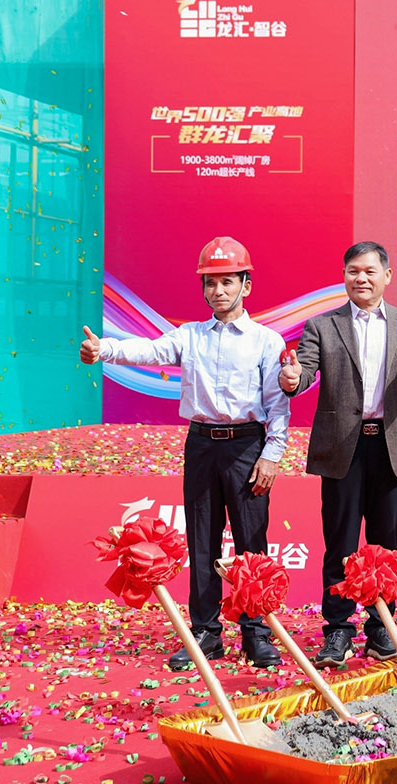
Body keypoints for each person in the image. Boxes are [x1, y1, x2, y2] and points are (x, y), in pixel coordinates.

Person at [79, 236, 290, 670]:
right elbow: (149, 350)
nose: (218, 290)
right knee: (202, 540)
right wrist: (105, 349)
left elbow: (277, 404)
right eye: (210, 282)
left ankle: (256, 632)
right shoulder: (190, 336)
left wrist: (272, 454)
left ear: (246, 285)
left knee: (252, 543)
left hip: (247, 445)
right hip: (201, 446)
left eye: (227, 281)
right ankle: (206, 633)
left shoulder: (266, 341)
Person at [278, 242, 397, 668]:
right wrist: (292, 378)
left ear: (387, 275)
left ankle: (381, 627)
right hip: (342, 448)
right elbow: (303, 373)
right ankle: (337, 630)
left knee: (386, 545)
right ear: (344, 275)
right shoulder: (323, 325)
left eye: (369, 271)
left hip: (392, 447)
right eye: (352, 271)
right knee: (341, 543)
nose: (360, 279)